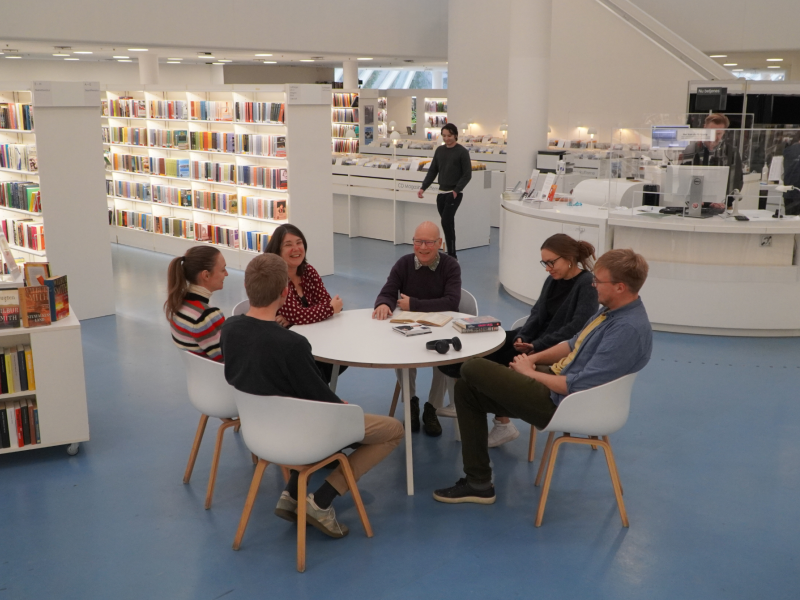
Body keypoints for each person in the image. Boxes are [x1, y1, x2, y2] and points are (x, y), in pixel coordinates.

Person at [433, 249, 653, 504]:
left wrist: (529, 373)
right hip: (559, 383)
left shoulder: (626, 329)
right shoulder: (612, 311)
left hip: (565, 403)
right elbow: (573, 344)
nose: (594, 287)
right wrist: (534, 358)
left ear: (620, 287)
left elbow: (575, 387)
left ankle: (479, 478)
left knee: (472, 368)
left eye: (599, 282)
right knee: (467, 390)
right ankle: (478, 482)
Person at [221, 254, 403, 539]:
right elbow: (320, 400)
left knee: (301, 412)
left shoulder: (229, 329)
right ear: (284, 293)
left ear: (247, 288)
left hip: (259, 432)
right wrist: (344, 408)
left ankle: (292, 494)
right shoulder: (292, 345)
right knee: (393, 430)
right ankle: (321, 500)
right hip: (301, 434)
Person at [438, 234, 599, 448]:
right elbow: (536, 314)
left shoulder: (587, 284)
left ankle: (498, 421)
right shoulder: (553, 280)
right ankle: (470, 403)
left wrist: (536, 346)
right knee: (479, 350)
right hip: (535, 341)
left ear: (569, 258)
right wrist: (525, 337)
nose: (547, 268)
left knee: (495, 365)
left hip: (556, 350)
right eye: (545, 263)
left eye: (551, 262)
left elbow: (575, 330)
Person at [373, 221, 461, 436]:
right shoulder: (403, 264)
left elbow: (451, 302)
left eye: (428, 242)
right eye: (418, 242)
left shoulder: (450, 266)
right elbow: (388, 290)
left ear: (439, 243)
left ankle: (432, 407)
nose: (422, 247)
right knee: (402, 354)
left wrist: (415, 304)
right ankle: (411, 402)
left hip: (441, 327)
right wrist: (384, 303)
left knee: (444, 358)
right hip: (410, 328)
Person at [265, 224, 345, 383]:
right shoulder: (276, 277)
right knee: (318, 364)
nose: (296, 248)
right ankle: (315, 391)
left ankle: (314, 389)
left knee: (344, 351)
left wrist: (297, 316)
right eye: (288, 244)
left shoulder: (308, 271)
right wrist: (328, 309)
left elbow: (321, 301)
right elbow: (324, 307)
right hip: (289, 345)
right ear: (277, 250)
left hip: (315, 335)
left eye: (299, 242)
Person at [417, 123, 472, 259]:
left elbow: (467, 174)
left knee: (446, 222)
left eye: (449, 135)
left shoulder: (462, 152)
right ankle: (449, 253)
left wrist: (456, 190)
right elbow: (433, 171)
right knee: (448, 224)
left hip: (453, 194)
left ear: (455, 135)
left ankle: (452, 256)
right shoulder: (439, 151)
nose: (447, 138)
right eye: (444, 136)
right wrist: (423, 187)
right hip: (441, 193)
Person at [165, 245, 228, 362]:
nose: (227, 274)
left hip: (198, 377)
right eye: (223, 269)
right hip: (218, 377)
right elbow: (227, 356)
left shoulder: (177, 305)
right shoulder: (207, 316)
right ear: (206, 275)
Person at [681, 113, 744, 201]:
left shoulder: (731, 152)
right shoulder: (691, 149)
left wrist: (725, 202)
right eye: (711, 132)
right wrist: (691, 199)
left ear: (724, 132)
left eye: (718, 133)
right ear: (704, 128)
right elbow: (683, 180)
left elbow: (736, 182)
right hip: (693, 202)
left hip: (721, 204)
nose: (714, 137)